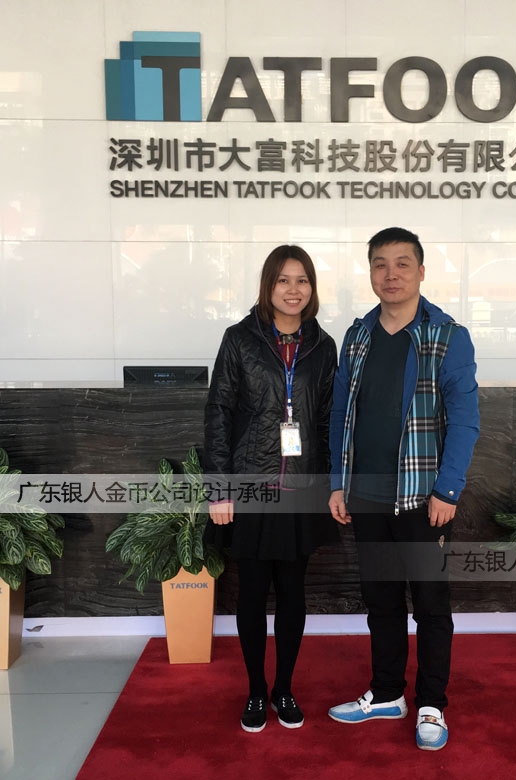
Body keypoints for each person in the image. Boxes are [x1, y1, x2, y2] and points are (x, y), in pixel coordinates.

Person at [327, 227, 479, 751]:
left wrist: (448, 491)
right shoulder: (358, 336)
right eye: (380, 264)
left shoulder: (448, 336)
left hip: (423, 498)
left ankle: (431, 703)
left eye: (402, 263)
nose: (390, 274)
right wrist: (337, 484)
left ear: (421, 271)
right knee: (382, 601)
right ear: (370, 272)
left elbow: (465, 421)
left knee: (431, 604)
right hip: (367, 496)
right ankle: (388, 692)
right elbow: (340, 415)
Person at [204, 245, 338, 733]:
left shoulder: (322, 346)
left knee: (293, 591)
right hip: (251, 484)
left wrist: (331, 485)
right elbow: (218, 414)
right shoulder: (239, 339)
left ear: (312, 288)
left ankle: (284, 688)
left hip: (300, 487)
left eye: (302, 280)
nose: (293, 289)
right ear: (268, 286)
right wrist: (219, 489)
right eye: (283, 280)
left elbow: (327, 421)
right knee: (253, 592)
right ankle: (256, 691)